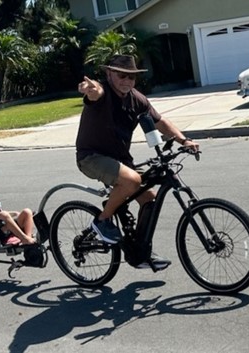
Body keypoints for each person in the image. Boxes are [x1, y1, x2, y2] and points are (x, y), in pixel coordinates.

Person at [75, 55, 200, 269]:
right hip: (91, 157)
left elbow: (159, 122)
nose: (127, 80)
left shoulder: (136, 99)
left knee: (149, 199)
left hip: (120, 159)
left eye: (132, 77)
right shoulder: (103, 93)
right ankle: (102, 221)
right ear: (109, 74)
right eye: (121, 75)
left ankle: (139, 252)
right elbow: (95, 94)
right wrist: (91, 90)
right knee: (131, 180)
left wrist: (183, 139)